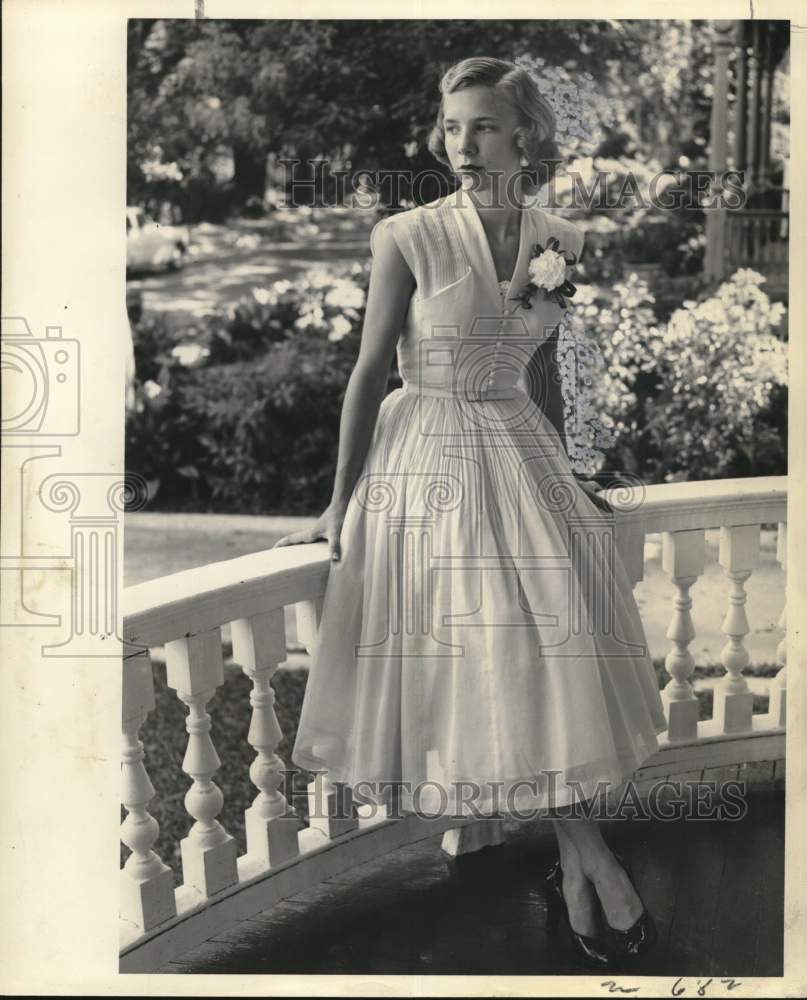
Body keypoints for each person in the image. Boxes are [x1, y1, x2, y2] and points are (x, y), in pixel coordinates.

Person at [273, 56, 667, 969]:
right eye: (450, 128)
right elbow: (369, 375)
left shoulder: (559, 237)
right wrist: (337, 505)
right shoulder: (405, 234)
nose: (461, 144)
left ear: (522, 133)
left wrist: (566, 469)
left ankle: (578, 863)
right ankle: (591, 861)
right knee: (499, 664)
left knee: (545, 670)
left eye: (481, 126)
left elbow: (539, 370)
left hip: (521, 457)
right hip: (429, 464)